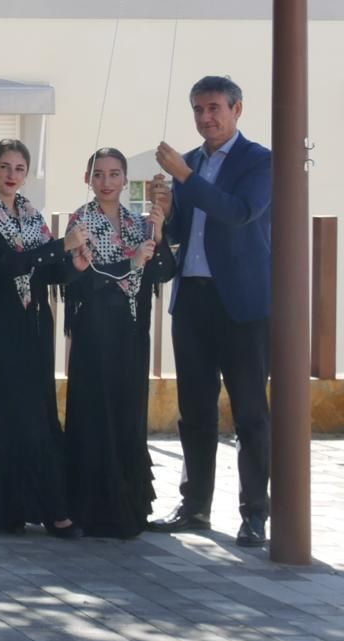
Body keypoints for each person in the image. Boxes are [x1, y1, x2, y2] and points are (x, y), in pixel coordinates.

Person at [149, 75, 273, 548]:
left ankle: (254, 514)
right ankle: (195, 506)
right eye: (198, 109)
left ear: (237, 109)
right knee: (194, 410)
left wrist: (184, 178)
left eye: (215, 108)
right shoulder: (193, 161)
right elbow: (186, 226)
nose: (206, 118)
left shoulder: (259, 161)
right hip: (194, 299)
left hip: (241, 304)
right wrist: (166, 207)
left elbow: (239, 211)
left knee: (250, 414)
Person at [0, 139, 88, 538]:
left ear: (26, 173)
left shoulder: (32, 217)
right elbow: (6, 266)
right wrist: (57, 248)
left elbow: (43, 273)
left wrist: (73, 266)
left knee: (37, 411)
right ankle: (51, 510)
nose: (11, 175)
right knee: (13, 414)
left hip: (33, 327)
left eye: (18, 168)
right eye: (4, 167)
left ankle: (8, 508)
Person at [62, 149, 175, 539]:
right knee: (97, 411)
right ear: (88, 179)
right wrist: (132, 266)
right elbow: (84, 278)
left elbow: (163, 272)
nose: (107, 182)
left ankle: (127, 506)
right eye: (99, 174)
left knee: (128, 412)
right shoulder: (81, 220)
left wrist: (158, 236)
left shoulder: (136, 222)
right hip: (96, 332)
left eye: (114, 174)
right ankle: (92, 508)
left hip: (131, 333)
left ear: (126, 179)